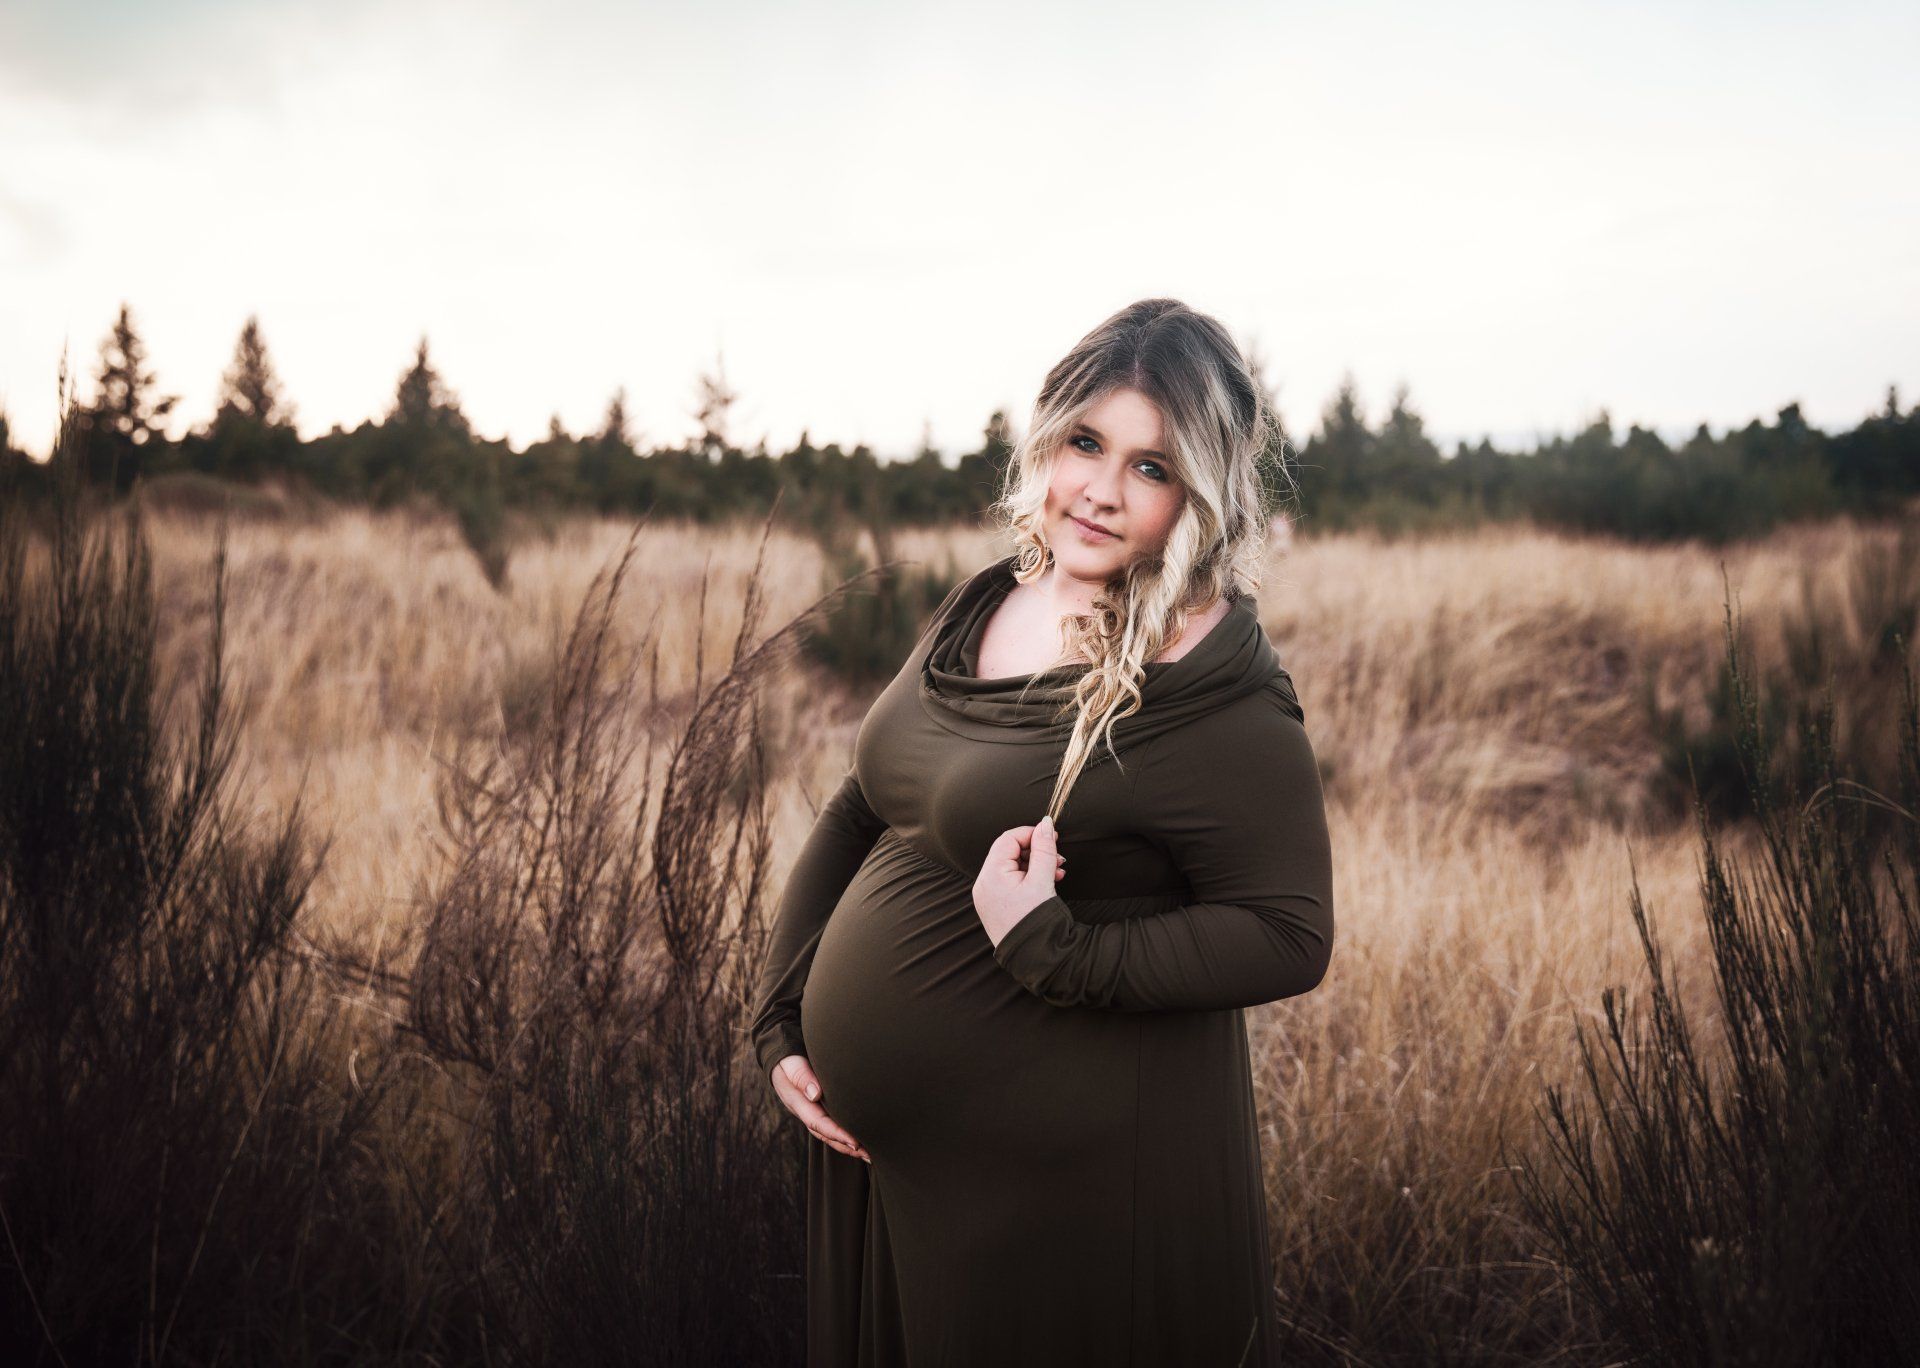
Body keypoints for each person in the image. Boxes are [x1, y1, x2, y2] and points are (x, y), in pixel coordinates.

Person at [748, 297, 1335, 1367]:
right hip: (892, 1169)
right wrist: (782, 1011)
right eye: (1087, 444)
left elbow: (1289, 932)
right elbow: (863, 801)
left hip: (1059, 1204)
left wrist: (1059, 950)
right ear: (1047, 440)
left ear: (1203, 493)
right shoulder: (990, 602)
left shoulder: (1211, 687)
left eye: (1154, 469)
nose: (1104, 492)